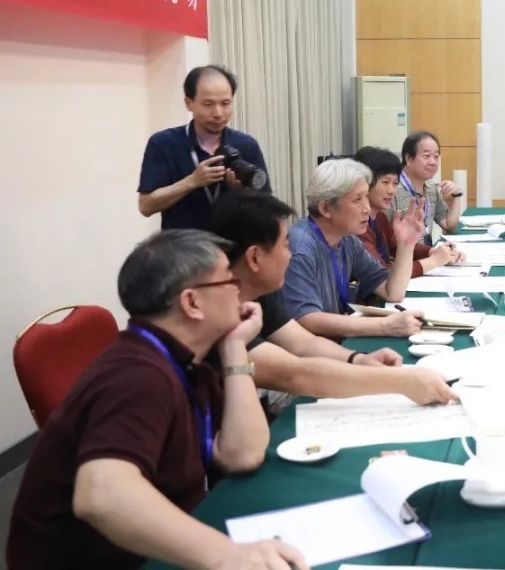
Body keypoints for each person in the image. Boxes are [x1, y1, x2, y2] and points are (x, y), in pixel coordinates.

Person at [7, 230, 307, 570]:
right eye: (229, 281)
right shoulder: (136, 375)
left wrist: (235, 347)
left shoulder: (188, 363)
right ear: (192, 303)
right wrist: (228, 555)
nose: (239, 291)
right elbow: (101, 494)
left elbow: (242, 455)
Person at [207, 190, 457, 413]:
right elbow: (295, 374)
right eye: (284, 245)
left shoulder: (256, 292)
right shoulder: (215, 314)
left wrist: (357, 359)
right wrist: (403, 382)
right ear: (254, 258)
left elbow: (304, 343)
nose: (290, 254)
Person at [282, 158, 425, 338]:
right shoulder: (300, 249)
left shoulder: (347, 239)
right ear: (325, 208)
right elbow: (306, 319)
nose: (367, 208)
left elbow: (392, 291)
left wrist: (406, 245)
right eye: (357, 200)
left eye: (366, 197)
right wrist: (385, 326)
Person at [138, 65, 271, 230]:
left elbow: (267, 208)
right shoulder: (163, 143)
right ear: (189, 103)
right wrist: (191, 182)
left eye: (225, 103)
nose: (218, 113)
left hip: (234, 243)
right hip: (185, 244)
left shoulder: (246, 144)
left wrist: (243, 194)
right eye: (208, 104)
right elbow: (146, 206)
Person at [353, 146, 466, 276]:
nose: (391, 190)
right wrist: (433, 261)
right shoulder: (357, 225)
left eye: (395, 183)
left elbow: (396, 245)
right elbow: (382, 273)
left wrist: (433, 252)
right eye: (385, 182)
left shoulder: (379, 217)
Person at [391, 131, 464, 241]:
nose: (433, 162)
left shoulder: (431, 187)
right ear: (409, 159)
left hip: (426, 250)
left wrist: (456, 195)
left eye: (436, 157)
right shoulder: (392, 189)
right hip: (405, 251)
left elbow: (449, 225)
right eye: (427, 156)